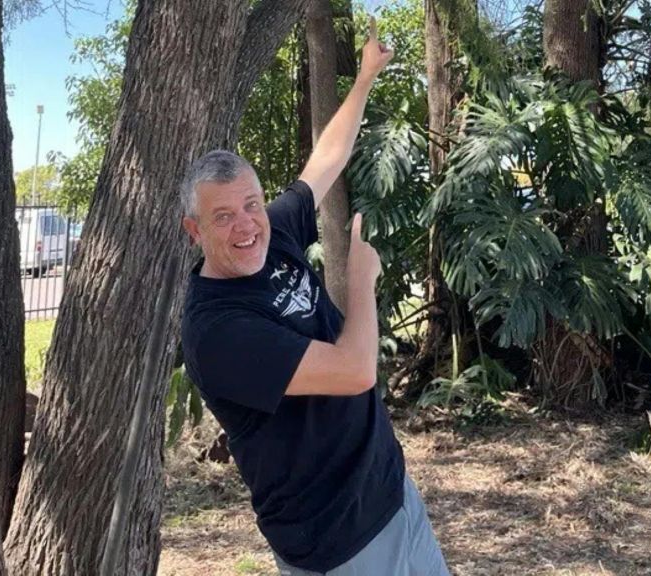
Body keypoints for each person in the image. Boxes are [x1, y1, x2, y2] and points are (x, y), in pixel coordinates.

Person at [180, 17, 450, 576]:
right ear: (195, 231)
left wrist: (367, 75)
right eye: (223, 216)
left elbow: (324, 161)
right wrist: (360, 278)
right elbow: (354, 370)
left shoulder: (271, 232)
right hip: (337, 541)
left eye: (251, 203)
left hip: (389, 491)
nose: (246, 225)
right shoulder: (217, 330)